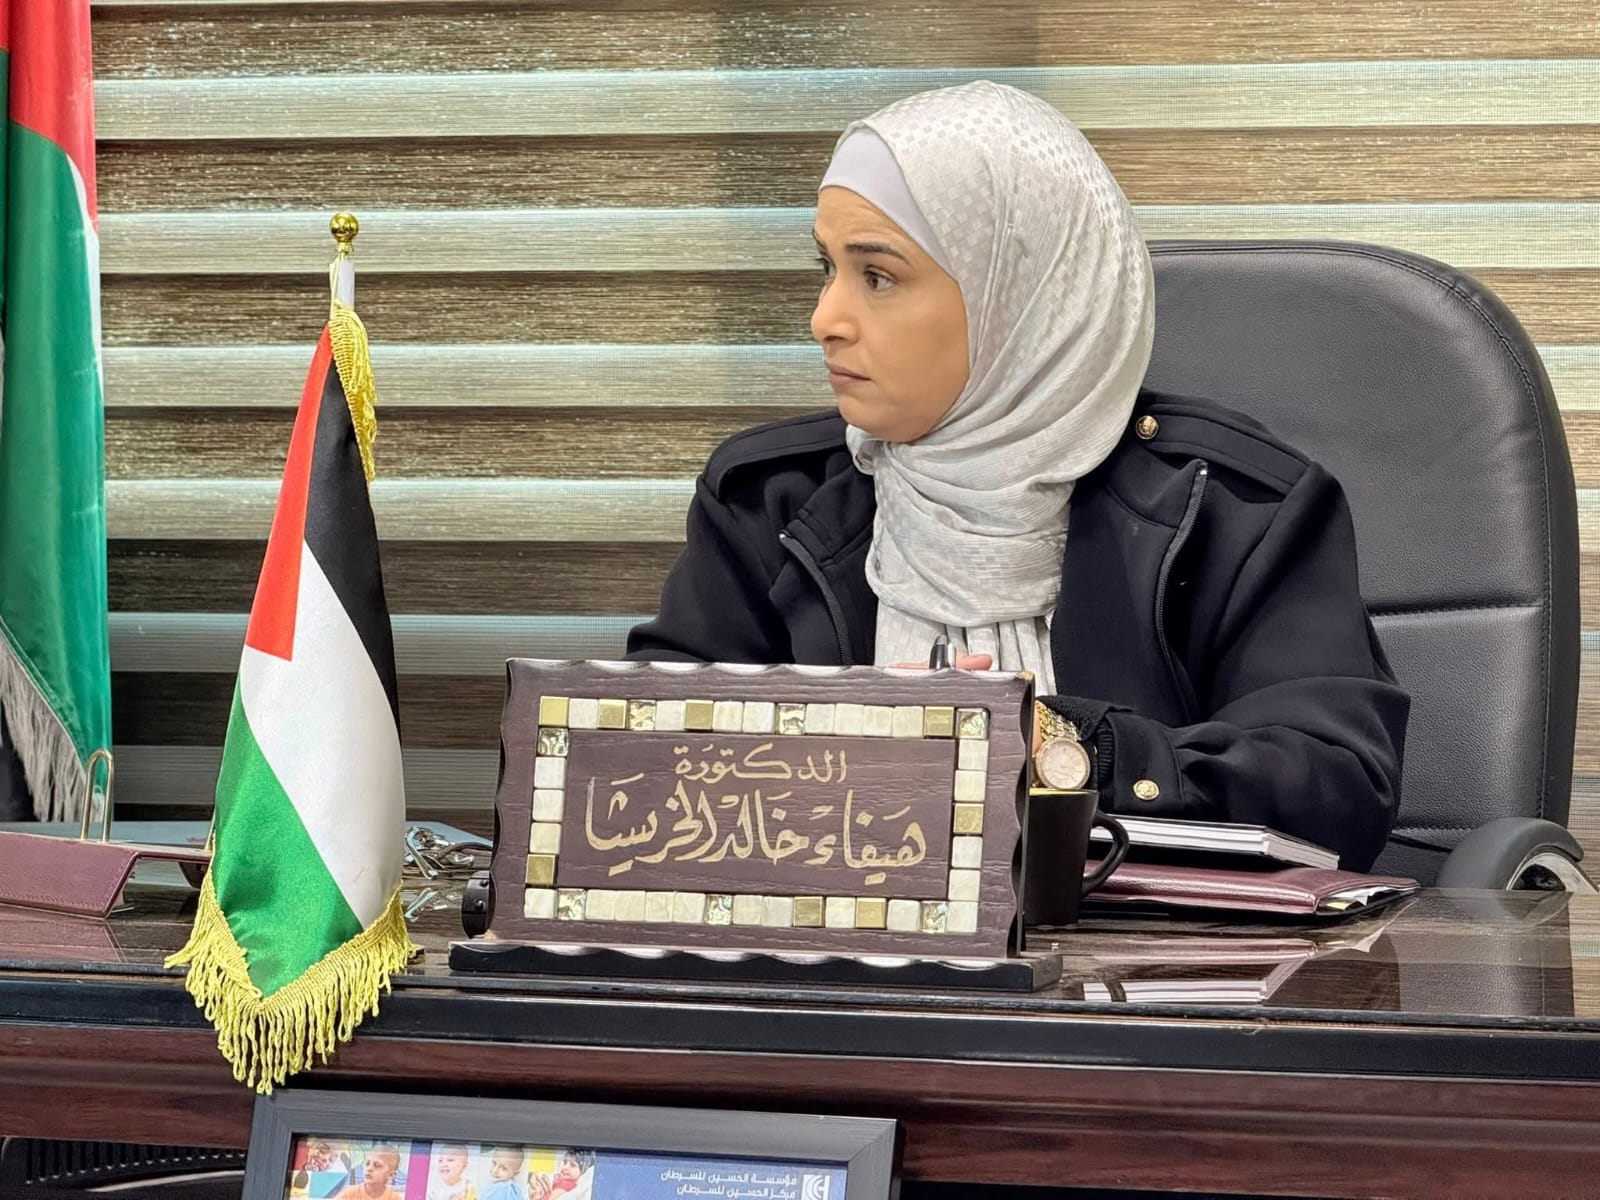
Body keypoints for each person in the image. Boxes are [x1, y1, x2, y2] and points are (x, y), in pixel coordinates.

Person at [627, 81, 1409, 870]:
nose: (824, 318)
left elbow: (1334, 791)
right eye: (826, 268)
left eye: (878, 277)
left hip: (1144, 948)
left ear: (1019, 295)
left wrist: (1067, 749)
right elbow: (634, 769)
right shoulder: (768, 503)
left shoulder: (1233, 508)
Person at [336, 1146, 404, 1200]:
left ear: (391, 1175)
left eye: (377, 1165)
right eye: (367, 1164)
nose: (369, 1168)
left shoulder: (394, 1198)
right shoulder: (349, 1193)